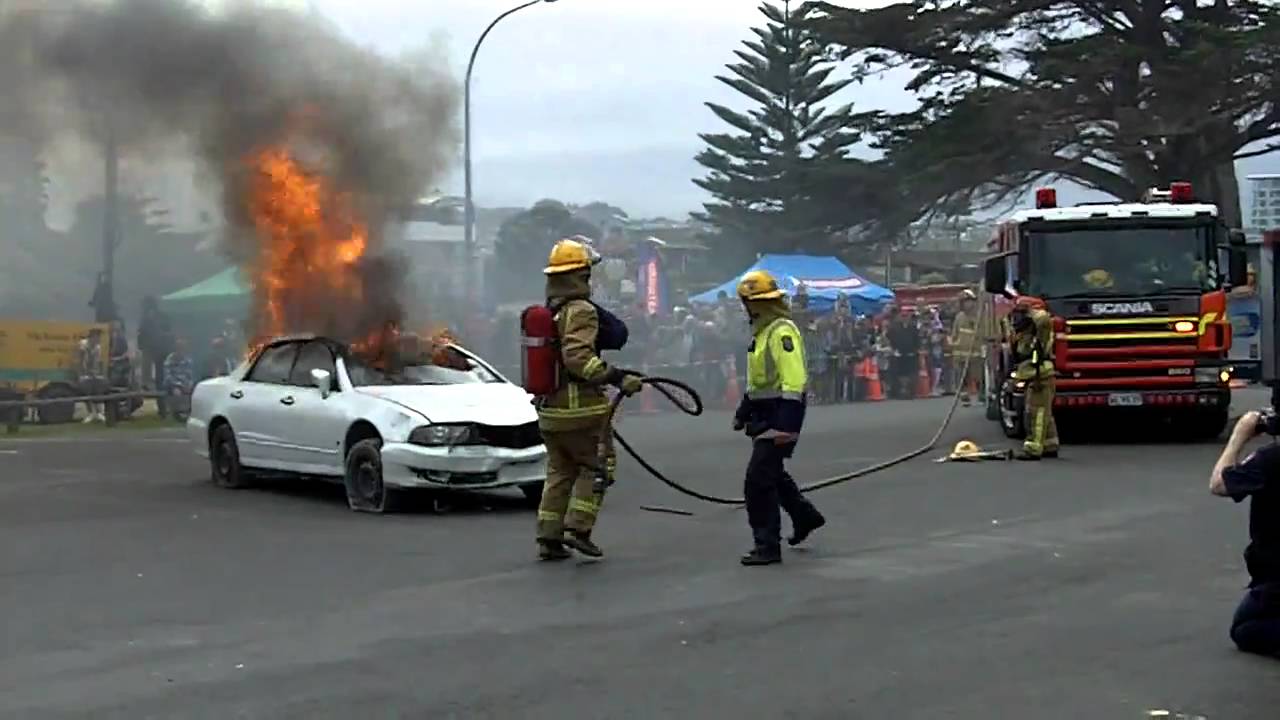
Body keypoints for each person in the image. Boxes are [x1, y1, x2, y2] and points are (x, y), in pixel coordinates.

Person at [533, 236, 642, 561]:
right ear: (580, 275)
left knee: (560, 471)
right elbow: (578, 358)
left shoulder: (549, 312)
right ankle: (579, 529)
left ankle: (548, 537)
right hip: (580, 408)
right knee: (598, 466)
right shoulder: (580, 310)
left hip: (551, 410)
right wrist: (616, 377)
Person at [732, 269, 826, 566]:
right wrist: (744, 411)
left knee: (757, 481)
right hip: (765, 413)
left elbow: (793, 380)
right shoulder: (762, 332)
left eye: (748, 302)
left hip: (780, 416)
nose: (746, 308)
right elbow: (759, 381)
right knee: (773, 475)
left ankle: (767, 546)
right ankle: (805, 517)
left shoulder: (780, 331)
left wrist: (787, 425)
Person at [1211, 410, 1280, 657]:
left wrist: (1239, 436)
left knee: (1245, 628)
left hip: (1275, 583)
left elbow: (1219, 484)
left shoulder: (1270, 460)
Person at [1009, 297, 1059, 460]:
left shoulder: (1041, 326)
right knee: (1044, 413)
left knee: (1035, 413)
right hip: (1036, 375)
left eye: (1022, 313)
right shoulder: (1025, 332)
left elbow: (1043, 318)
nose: (1018, 318)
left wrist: (1030, 311)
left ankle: (1033, 448)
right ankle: (1049, 444)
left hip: (1040, 376)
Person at [950, 290, 982, 406]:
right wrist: (952, 346)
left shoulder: (980, 316)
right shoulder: (959, 317)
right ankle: (964, 395)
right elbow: (954, 333)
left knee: (978, 376)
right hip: (960, 353)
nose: (965, 304)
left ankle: (981, 395)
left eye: (968, 302)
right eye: (963, 302)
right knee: (962, 376)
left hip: (976, 353)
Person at [78, 329, 107, 423]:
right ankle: (90, 413)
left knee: (98, 387)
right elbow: (81, 360)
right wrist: (84, 373)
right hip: (84, 372)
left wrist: (98, 373)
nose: (98, 339)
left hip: (93, 372)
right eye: (97, 337)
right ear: (92, 337)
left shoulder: (98, 347)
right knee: (87, 389)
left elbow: (97, 362)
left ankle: (99, 413)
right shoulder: (83, 344)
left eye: (99, 337)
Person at [163, 337, 195, 421]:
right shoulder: (169, 359)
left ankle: (188, 413)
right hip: (172, 385)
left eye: (182, 349)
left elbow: (190, 375)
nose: (180, 352)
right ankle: (176, 414)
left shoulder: (188, 360)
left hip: (184, 383)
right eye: (179, 349)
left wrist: (189, 384)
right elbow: (168, 376)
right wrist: (177, 385)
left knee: (193, 391)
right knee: (176, 392)